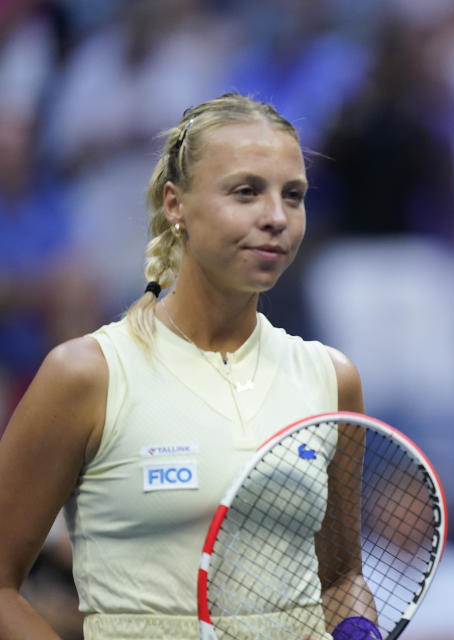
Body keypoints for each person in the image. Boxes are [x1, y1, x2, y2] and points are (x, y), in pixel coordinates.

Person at [0, 93, 370, 639]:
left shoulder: (331, 378)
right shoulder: (87, 374)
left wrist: (357, 624)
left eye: (293, 196)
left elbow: (340, 576)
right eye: (246, 192)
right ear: (175, 204)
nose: (275, 217)